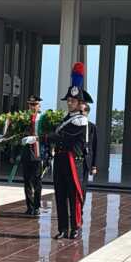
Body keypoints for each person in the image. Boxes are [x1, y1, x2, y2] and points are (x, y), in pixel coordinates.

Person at [48, 85, 89, 239]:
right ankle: (63, 228)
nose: (70, 103)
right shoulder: (65, 119)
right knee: (60, 194)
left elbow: (65, 137)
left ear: (79, 103)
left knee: (73, 195)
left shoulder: (81, 121)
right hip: (60, 159)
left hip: (72, 161)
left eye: (73, 101)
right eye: (69, 100)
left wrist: (46, 137)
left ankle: (75, 227)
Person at [19, 96, 46, 216]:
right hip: (26, 152)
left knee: (37, 181)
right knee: (27, 181)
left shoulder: (43, 118)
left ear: (39, 106)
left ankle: (37, 206)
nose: (32, 106)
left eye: (34, 104)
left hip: (37, 152)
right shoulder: (24, 118)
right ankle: (29, 206)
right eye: (30, 104)